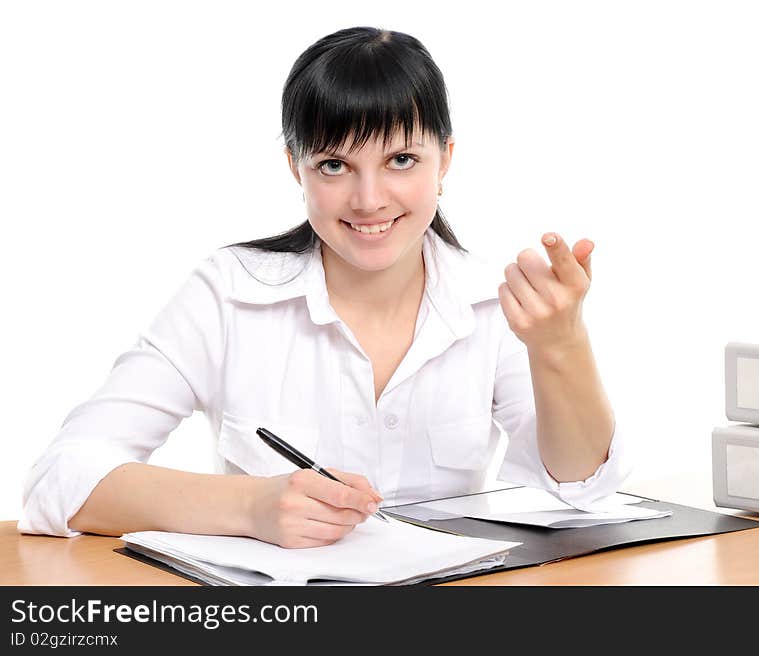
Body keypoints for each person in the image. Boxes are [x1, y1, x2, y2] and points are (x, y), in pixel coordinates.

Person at [19, 26, 631, 548]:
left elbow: (578, 490)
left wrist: (562, 349)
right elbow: (61, 479)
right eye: (334, 166)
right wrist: (250, 508)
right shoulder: (228, 293)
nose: (369, 201)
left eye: (400, 161)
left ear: (445, 160)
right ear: (296, 166)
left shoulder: (494, 302)